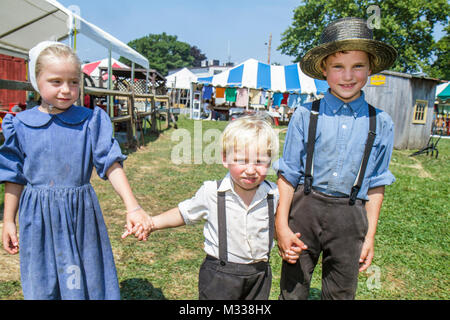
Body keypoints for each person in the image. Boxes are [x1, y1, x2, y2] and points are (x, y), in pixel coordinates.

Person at [0, 41, 152, 300]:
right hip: (37, 217)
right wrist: (8, 220)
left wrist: (133, 206)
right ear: (37, 80)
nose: (66, 90)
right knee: (43, 279)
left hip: (80, 212)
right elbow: (14, 177)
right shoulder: (20, 125)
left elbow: (111, 164)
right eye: (56, 81)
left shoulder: (91, 121)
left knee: (85, 275)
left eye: (73, 82)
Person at [275, 17, 397, 300]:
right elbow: (288, 173)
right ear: (323, 70)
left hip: (350, 216)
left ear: (370, 69)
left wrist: (369, 236)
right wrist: (282, 225)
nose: (348, 76)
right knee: (292, 290)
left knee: (341, 293)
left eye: (358, 66)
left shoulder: (381, 122)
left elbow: (377, 184)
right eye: (338, 67)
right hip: (304, 210)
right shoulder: (306, 115)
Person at [125, 115, 291, 299]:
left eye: (259, 162)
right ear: (225, 159)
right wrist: (152, 223)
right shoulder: (212, 192)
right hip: (219, 277)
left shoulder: (273, 194)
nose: (251, 170)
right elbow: (184, 213)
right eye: (242, 160)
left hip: (259, 276)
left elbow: (277, 225)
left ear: (270, 161)